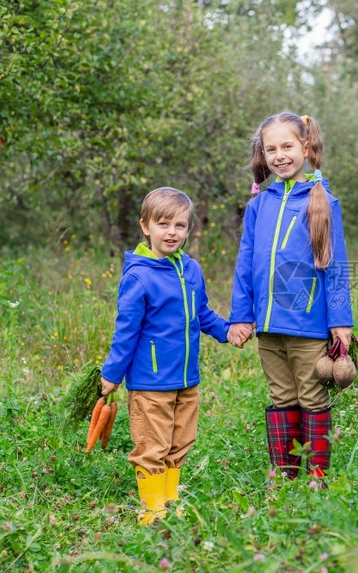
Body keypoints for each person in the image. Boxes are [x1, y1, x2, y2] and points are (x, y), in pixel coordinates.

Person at [227, 111, 353, 485]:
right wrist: (241, 315)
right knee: (282, 397)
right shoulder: (257, 206)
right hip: (268, 326)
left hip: (308, 325)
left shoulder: (323, 201)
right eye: (271, 149)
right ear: (262, 155)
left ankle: (316, 474)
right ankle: (286, 472)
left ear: (306, 147)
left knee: (312, 397)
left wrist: (340, 322)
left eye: (287, 146)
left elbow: (336, 266)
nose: (280, 155)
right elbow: (245, 263)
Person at [100, 186, 233, 524]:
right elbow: (125, 332)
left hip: (186, 379)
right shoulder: (139, 277)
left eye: (180, 226)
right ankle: (151, 509)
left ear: (189, 230)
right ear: (146, 226)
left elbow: (201, 313)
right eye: (163, 224)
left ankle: (169, 500)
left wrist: (227, 330)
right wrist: (112, 375)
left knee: (180, 443)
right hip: (151, 381)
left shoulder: (191, 270)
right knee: (152, 446)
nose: (172, 232)